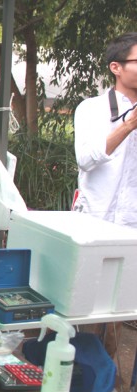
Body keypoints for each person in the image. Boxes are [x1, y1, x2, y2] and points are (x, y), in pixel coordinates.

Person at [73, 32, 137, 357]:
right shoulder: (92, 108)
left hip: (132, 231)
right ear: (116, 67)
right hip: (95, 227)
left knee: (121, 315)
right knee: (85, 312)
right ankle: (80, 383)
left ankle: (106, 385)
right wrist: (128, 126)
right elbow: (85, 159)